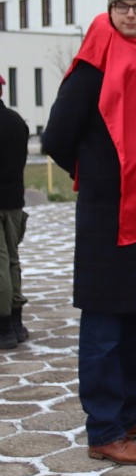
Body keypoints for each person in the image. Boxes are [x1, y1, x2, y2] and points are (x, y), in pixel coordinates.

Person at [41, 0, 136, 465]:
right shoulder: (93, 62)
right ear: (110, 9)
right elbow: (57, 136)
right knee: (103, 327)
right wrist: (98, 173)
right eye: (122, 6)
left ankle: (132, 411)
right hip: (107, 214)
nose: (130, 15)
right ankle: (103, 430)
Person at [0, 74, 30, 349]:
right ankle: (17, 323)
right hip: (13, 201)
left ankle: (5, 325)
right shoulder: (16, 121)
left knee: (0, 263)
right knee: (12, 260)